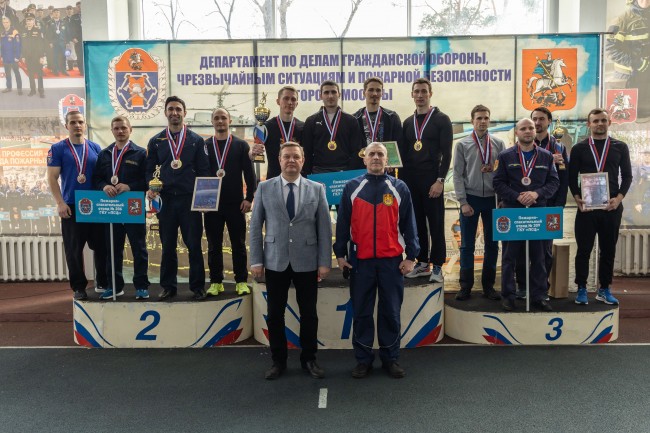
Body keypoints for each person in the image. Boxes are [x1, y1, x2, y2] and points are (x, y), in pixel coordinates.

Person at [334, 142, 419, 379]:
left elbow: (410, 224)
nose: (376, 157)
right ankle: (363, 360)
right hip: (360, 262)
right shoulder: (352, 187)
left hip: (391, 262)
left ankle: (390, 359)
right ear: (364, 159)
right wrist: (340, 254)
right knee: (361, 313)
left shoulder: (399, 187)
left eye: (380, 154)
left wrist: (412, 256)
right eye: (371, 154)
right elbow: (343, 223)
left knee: (390, 312)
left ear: (387, 159)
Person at [249, 141, 332, 380]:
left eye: (296, 156)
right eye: (287, 156)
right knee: (275, 314)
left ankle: (309, 359)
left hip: (307, 260)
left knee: (309, 314)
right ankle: (278, 361)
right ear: (279, 160)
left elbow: (324, 229)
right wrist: (256, 260)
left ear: (303, 160)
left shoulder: (317, 189)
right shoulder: (264, 188)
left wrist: (324, 261)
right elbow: (255, 227)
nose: (291, 160)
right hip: (275, 261)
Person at [145, 96, 210, 301]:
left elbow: (204, 170)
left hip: (189, 200)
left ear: (184, 112)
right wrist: (150, 187)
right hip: (166, 201)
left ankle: (198, 287)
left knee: (194, 245)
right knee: (167, 246)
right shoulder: (156, 141)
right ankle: (168, 287)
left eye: (178, 109)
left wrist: (204, 200)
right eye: (171, 109)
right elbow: (149, 170)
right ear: (166, 112)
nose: (174, 113)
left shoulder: (196, 140)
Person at [492, 118, 559, 312]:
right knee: (509, 257)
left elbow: (554, 182)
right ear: (517, 133)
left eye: (530, 128)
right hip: (512, 213)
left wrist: (536, 194)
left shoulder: (546, 156)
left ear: (534, 131)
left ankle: (539, 296)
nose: (528, 131)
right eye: (523, 128)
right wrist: (516, 196)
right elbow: (497, 183)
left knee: (539, 257)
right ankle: (508, 296)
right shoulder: (505, 156)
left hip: (538, 213)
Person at [569, 108, 633, 305]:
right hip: (587, 208)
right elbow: (571, 177)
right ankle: (581, 288)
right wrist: (577, 198)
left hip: (611, 207)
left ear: (609, 123)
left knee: (608, 250)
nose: (599, 124)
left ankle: (604, 289)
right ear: (589, 124)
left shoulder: (620, 147)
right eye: (595, 121)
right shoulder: (579, 148)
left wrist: (618, 199)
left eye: (603, 120)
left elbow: (627, 176)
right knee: (584, 250)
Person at [46, 111, 108, 300]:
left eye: (80, 122)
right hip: (72, 206)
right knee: (74, 250)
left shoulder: (95, 147)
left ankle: (103, 282)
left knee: (102, 247)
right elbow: (52, 178)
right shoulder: (58, 149)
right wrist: (60, 203)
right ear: (67, 126)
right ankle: (79, 287)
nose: (77, 125)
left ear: (85, 124)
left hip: (95, 205)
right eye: (73, 122)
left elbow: (101, 175)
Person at [400, 77, 453, 283]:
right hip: (412, 180)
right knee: (417, 224)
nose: (420, 95)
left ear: (430, 94)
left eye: (424, 91)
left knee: (436, 224)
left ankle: (438, 266)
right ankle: (422, 263)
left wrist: (440, 180)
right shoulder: (407, 122)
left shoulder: (442, 119)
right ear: (412, 95)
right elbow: (404, 156)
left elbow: (447, 154)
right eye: (417, 91)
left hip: (432, 179)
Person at [92, 116, 150, 300]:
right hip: (112, 209)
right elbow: (96, 179)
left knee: (139, 249)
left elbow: (147, 181)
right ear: (112, 131)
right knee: (113, 250)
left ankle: (141, 286)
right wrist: (104, 186)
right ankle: (115, 286)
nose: (120, 131)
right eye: (116, 128)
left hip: (133, 208)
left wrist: (130, 186)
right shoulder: (104, 154)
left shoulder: (141, 153)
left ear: (130, 129)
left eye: (123, 128)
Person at [515, 106, 570, 300]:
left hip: (549, 204)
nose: (537, 123)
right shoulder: (520, 145)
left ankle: (541, 287)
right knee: (522, 248)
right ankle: (522, 286)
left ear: (549, 122)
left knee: (545, 250)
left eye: (541, 119)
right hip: (524, 204)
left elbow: (564, 178)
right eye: (534, 119)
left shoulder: (559, 147)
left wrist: (559, 204)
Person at [452, 104, 505, 301]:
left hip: (492, 199)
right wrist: (463, 201)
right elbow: (457, 175)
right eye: (479, 118)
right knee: (467, 245)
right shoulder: (462, 144)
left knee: (492, 244)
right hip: (471, 199)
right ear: (472, 121)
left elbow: (503, 173)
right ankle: (465, 286)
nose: (483, 121)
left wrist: (502, 199)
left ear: (489, 120)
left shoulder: (499, 143)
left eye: (486, 118)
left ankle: (488, 287)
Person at [204, 108, 256, 297]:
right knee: (213, 245)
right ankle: (216, 282)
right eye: (216, 118)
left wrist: (249, 198)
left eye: (223, 118)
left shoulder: (241, 145)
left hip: (236, 204)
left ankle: (241, 281)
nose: (220, 121)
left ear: (230, 120)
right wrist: (201, 201)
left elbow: (249, 173)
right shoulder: (205, 146)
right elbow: (200, 173)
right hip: (211, 204)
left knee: (238, 245)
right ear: (212, 121)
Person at [301, 80, 363, 174]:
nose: (330, 96)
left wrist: (349, 173)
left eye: (333, 92)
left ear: (339, 95)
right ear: (320, 96)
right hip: (319, 171)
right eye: (326, 92)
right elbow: (307, 151)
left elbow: (356, 150)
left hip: (344, 171)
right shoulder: (311, 121)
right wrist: (308, 175)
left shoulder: (351, 120)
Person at [606, 0, 650, 118]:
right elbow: (611, 50)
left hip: (646, 79)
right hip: (627, 78)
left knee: (644, 119)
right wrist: (636, 63)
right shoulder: (622, 20)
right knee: (626, 118)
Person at [249, 86, 303, 179]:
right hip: (273, 179)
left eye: (293, 99)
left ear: (296, 104)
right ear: (278, 101)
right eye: (286, 98)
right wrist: (253, 152)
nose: (290, 102)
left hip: (297, 179)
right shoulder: (264, 127)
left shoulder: (303, 127)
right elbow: (253, 155)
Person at [352, 76, 402, 150]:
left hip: (386, 157)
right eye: (371, 90)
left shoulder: (392, 117)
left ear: (382, 93)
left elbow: (400, 146)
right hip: (361, 157)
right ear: (364, 93)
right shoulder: (355, 119)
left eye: (378, 90)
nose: (375, 94)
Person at [20, 13, 46, 98]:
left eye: (30, 20)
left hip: (37, 57)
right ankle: (33, 90)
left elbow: (41, 44)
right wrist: (23, 56)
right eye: (27, 20)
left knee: (39, 74)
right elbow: (22, 45)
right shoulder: (23, 31)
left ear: (33, 21)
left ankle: (41, 91)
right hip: (28, 57)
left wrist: (41, 57)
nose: (29, 22)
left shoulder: (38, 31)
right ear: (25, 21)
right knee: (30, 74)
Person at [1, 16, 22, 95]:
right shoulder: (3, 33)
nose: (5, 24)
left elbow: (18, 45)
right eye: (4, 23)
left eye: (7, 22)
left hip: (13, 57)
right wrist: (2, 56)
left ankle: (19, 89)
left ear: (10, 23)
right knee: (7, 74)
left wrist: (17, 56)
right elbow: (1, 46)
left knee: (17, 73)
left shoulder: (14, 32)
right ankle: (9, 87)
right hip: (6, 57)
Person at [45, 8, 68, 76]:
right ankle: (56, 70)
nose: (56, 13)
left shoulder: (63, 22)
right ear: (52, 14)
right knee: (55, 57)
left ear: (59, 14)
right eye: (55, 12)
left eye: (58, 12)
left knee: (63, 57)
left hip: (62, 43)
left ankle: (63, 70)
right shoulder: (49, 23)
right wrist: (50, 42)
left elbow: (67, 32)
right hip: (54, 43)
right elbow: (47, 34)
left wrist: (67, 41)